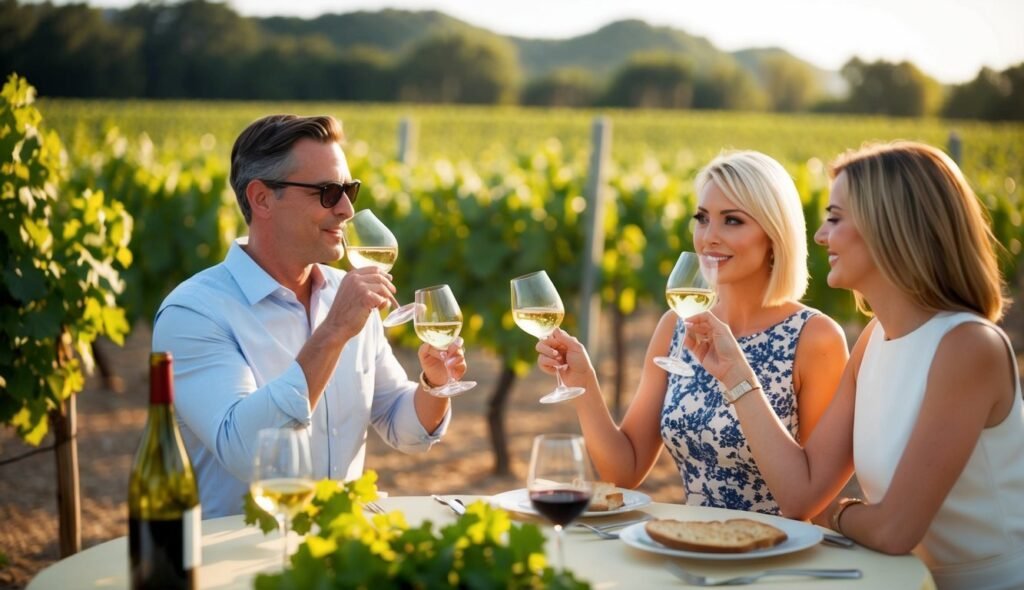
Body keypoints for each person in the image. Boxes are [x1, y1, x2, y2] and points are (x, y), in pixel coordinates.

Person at [684, 141, 1024, 589]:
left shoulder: (967, 347)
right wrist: (735, 375)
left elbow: (893, 530)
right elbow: (801, 496)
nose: (821, 236)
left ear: (891, 227)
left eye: (836, 219)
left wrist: (840, 510)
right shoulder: (873, 339)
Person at [152, 114, 465, 518]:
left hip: (339, 550)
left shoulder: (344, 294)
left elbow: (401, 427)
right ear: (262, 198)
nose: (347, 209)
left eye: (349, 189)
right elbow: (247, 455)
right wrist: (333, 332)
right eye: (328, 192)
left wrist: (434, 383)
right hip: (240, 559)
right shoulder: (194, 313)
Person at [537, 150, 849, 514]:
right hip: (692, 548)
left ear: (774, 234)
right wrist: (585, 384)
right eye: (702, 218)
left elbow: (812, 499)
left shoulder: (815, 337)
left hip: (776, 552)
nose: (709, 237)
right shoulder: (676, 325)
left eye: (732, 221)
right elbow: (624, 470)